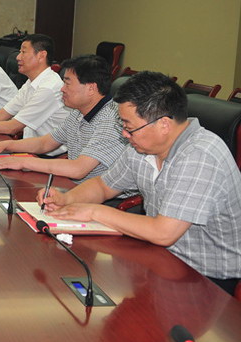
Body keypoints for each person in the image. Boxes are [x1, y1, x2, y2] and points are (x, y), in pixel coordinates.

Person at [39, 72, 241, 295]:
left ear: (163, 124)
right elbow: (103, 186)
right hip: (162, 256)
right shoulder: (142, 147)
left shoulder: (200, 155)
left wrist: (95, 211)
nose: (125, 134)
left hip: (207, 277)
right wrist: (67, 198)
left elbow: (164, 232)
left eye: (129, 126)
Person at [0, 55, 126, 182]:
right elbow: (45, 143)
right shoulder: (79, 112)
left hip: (104, 199)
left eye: (67, 83)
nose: (62, 89)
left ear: (91, 88)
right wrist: (5, 145)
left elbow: (78, 169)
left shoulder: (112, 121)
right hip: (75, 186)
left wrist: (22, 162)